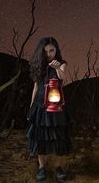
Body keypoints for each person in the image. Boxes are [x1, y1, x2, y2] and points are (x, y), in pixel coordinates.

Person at [26, 37, 73, 181]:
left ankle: (59, 167)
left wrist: (57, 67)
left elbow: (63, 78)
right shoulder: (38, 65)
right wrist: (31, 106)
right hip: (40, 106)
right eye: (45, 51)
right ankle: (41, 167)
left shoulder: (61, 64)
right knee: (40, 137)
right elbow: (35, 87)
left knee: (59, 136)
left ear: (56, 49)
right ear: (41, 52)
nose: (49, 54)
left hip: (57, 106)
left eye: (51, 50)